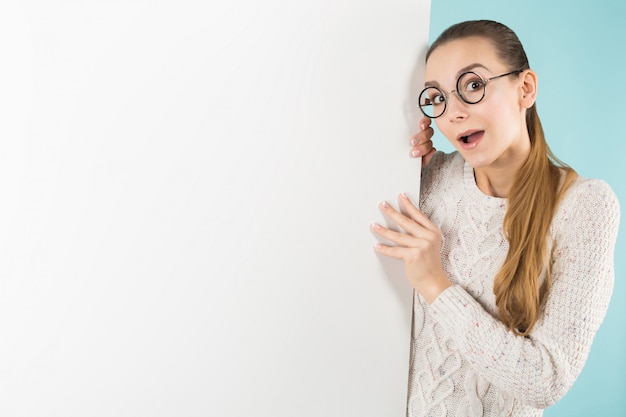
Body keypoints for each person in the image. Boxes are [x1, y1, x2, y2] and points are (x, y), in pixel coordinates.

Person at [371, 20, 620, 416]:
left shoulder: (584, 205)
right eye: (437, 97)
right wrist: (394, 163)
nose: (452, 113)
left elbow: (546, 380)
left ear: (525, 89)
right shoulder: (429, 178)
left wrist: (436, 284)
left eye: (473, 85)